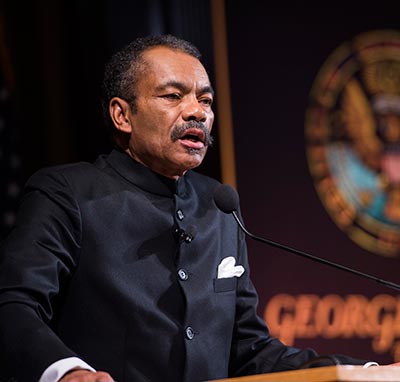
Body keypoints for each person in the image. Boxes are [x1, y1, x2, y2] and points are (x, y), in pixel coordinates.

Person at [0, 34, 380, 382]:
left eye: (205, 100)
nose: (197, 112)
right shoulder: (67, 193)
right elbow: (14, 304)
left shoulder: (219, 206)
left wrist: (362, 370)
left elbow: (248, 350)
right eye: (172, 96)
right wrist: (67, 373)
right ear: (122, 115)